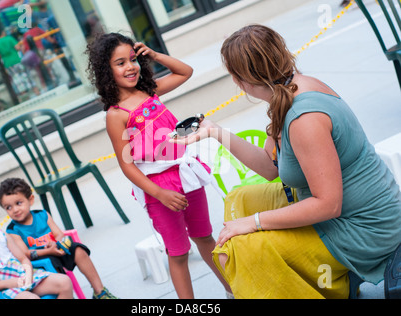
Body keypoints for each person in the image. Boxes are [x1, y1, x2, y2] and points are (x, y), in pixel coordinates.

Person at [171, 24, 401, 299]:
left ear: (240, 79)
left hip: (364, 229)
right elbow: (270, 169)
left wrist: (254, 222)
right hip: (343, 215)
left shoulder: (304, 118)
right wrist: (216, 132)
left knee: (237, 252)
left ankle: (327, 283)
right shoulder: (288, 90)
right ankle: (326, 283)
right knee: (240, 198)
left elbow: (329, 204)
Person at [85, 32, 231, 299]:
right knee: (178, 253)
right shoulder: (116, 115)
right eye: (120, 63)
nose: (130, 67)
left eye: (132, 59)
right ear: (106, 71)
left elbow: (185, 71)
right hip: (159, 189)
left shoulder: (148, 90)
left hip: (186, 175)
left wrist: (153, 54)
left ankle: (233, 291)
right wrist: (160, 194)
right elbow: (127, 166)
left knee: (205, 238)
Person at [0, 177, 118, 299]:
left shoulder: (42, 215)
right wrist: (48, 251)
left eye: (18, 203)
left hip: (55, 250)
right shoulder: (13, 230)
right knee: (52, 262)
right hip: (38, 263)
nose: (15, 210)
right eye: (8, 207)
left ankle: (99, 292)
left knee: (78, 250)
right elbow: (26, 254)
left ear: (30, 200)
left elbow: (59, 234)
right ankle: (67, 294)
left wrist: (56, 243)